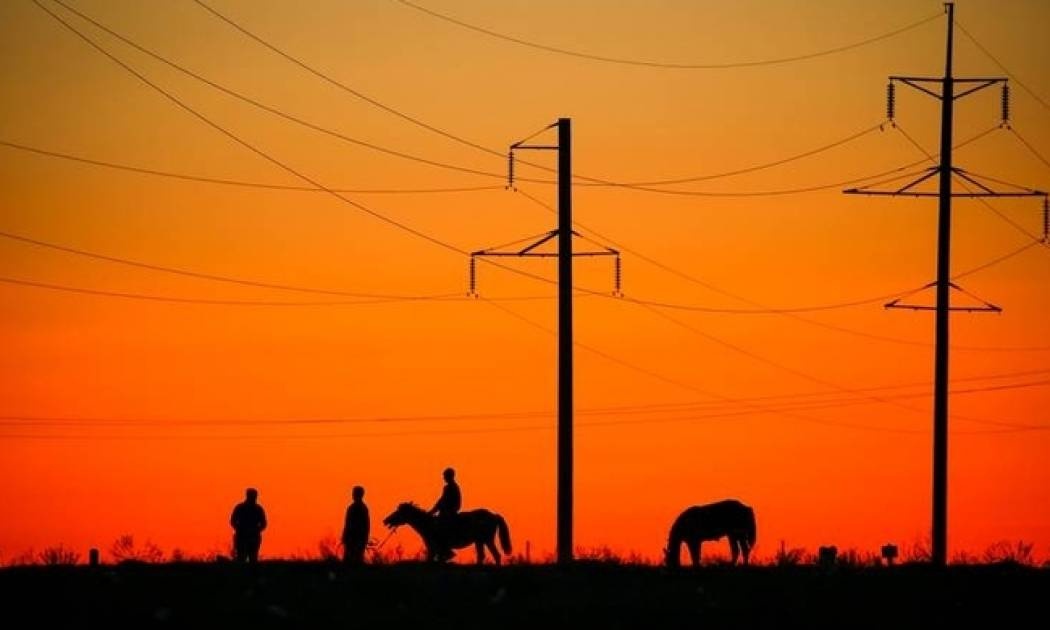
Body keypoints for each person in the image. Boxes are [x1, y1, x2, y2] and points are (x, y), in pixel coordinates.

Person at [428, 467, 461, 561]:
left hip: (449, 513)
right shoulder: (448, 487)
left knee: (440, 530)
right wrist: (432, 511)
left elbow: (445, 502)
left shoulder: (453, 487)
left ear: (449, 476)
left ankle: (445, 551)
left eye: (445, 476)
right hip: (446, 512)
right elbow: (441, 501)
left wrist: (437, 511)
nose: (443, 478)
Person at [230, 487, 267, 563]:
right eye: (252, 496)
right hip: (242, 537)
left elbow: (264, 523)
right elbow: (233, 521)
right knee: (241, 558)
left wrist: (256, 530)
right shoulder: (240, 508)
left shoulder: (258, 509)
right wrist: (239, 529)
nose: (254, 497)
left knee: (253, 558)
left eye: (254, 496)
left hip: (253, 537)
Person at [341, 485, 370, 565]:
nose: (353, 495)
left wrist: (364, 538)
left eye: (354, 493)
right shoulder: (355, 508)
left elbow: (366, 525)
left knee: (356, 560)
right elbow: (347, 524)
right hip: (352, 539)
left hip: (357, 539)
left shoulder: (361, 508)